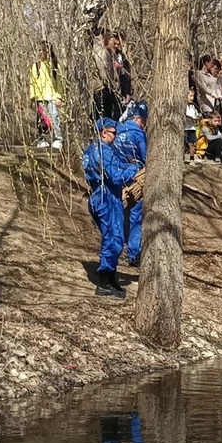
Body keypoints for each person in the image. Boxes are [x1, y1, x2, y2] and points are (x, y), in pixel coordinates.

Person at [82, 119, 140, 297]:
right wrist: (134, 169)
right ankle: (104, 281)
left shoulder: (91, 150)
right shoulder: (103, 151)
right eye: (113, 133)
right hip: (106, 198)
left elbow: (115, 167)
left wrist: (128, 166)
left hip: (100, 197)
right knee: (113, 239)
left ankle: (111, 277)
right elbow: (116, 176)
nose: (116, 136)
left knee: (115, 238)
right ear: (103, 132)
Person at [115, 102, 148, 267]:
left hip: (115, 177)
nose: (144, 124)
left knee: (118, 213)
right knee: (135, 216)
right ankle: (133, 254)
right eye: (144, 121)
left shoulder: (117, 130)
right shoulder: (139, 135)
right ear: (139, 119)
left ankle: (118, 249)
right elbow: (145, 158)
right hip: (134, 179)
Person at [29, 41, 64, 149]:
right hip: (40, 98)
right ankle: (41, 139)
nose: (42, 52)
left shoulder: (54, 65)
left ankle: (58, 139)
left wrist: (59, 96)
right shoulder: (36, 66)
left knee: (54, 118)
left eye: (44, 50)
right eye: (40, 50)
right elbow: (32, 82)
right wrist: (33, 97)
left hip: (52, 96)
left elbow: (59, 82)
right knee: (41, 119)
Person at [93, 31, 131, 122]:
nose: (117, 46)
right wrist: (113, 87)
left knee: (111, 117)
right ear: (109, 39)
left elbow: (124, 74)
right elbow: (104, 71)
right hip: (102, 89)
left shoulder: (116, 53)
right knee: (104, 119)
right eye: (115, 43)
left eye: (119, 44)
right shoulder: (102, 52)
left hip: (111, 90)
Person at [185, 89, 201, 159]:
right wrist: (190, 118)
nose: (192, 98)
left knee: (192, 144)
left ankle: (192, 158)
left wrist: (197, 117)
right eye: (190, 96)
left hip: (192, 128)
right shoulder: (183, 106)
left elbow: (196, 115)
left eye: (193, 96)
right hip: (185, 128)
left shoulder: (193, 107)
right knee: (184, 144)